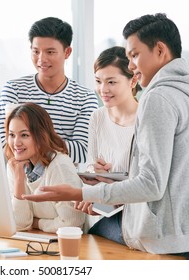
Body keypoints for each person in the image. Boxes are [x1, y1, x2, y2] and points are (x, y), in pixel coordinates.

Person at [23, 13, 189, 259]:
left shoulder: (158, 98)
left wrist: (78, 193)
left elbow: (151, 185)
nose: (132, 65)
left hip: (169, 242)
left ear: (159, 50)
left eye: (134, 55)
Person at [0, 17, 98, 164]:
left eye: (50, 52)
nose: (41, 59)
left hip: (63, 182)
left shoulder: (85, 98)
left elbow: (82, 152)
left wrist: (28, 143)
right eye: (36, 51)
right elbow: (4, 146)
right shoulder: (13, 90)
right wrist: (56, 146)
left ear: (67, 52)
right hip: (20, 181)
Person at [82, 46, 140, 237]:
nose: (103, 89)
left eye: (111, 82)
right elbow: (91, 164)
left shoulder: (145, 120)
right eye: (98, 81)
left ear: (133, 80)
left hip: (136, 215)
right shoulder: (97, 117)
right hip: (106, 209)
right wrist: (95, 171)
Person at [5, 102, 85, 233]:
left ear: (41, 135)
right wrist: (19, 180)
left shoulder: (59, 166)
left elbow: (72, 223)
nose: (16, 143)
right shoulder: (15, 166)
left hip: (66, 244)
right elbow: (20, 225)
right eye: (12, 135)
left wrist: (37, 223)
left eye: (24, 135)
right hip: (35, 241)